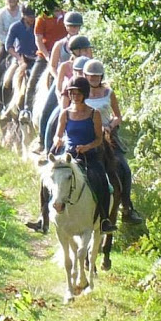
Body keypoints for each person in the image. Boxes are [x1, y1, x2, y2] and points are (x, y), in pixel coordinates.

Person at [27, 76, 117, 235]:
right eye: (72, 93)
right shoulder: (65, 113)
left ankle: (104, 220)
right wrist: (58, 140)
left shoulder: (93, 114)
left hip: (89, 156)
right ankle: (43, 218)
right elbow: (58, 134)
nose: (74, 96)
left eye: (78, 93)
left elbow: (98, 139)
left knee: (101, 180)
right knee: (45, 179)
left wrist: (87, 146)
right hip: (68, 155)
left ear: (84, 94)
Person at [83, 59, 143, 224]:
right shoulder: (80, 93)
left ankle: (127, 208)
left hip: (107, 135)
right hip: (86, 134)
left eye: (96, 76)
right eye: (91, 76)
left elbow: (118, 116)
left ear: (101, 76)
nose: (94, 78)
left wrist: (109, 125)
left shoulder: (108, 92)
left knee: (124, 168)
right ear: (85, 75)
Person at [33, 11, 84, 153]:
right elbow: (53, 65)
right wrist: (59, 79)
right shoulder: (59, 44)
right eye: (71, 26)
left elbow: (89, 62)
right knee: (48, 111)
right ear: (66, 27)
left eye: (76, 26)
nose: (73, 29)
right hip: (62, 80)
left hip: (81, 81)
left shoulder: (85, 44)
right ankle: (43, 143)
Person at [39, 36, 93, 159]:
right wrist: (63, 103)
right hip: (67, 97)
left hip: (88, 101)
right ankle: (48, 150)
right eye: (83, 50)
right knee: (52, 119)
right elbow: (59, 87)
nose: (86, 53)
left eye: (86, 50)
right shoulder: (65, 66)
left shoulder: (90, 65)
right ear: (74, 51)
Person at [19, 6, 66, 123]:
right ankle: (27, 110)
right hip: (45, 55)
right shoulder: (42, 18)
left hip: (64, 55)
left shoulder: (67, 16)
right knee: (33, 80)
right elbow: (38, 40)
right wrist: (48, 56)